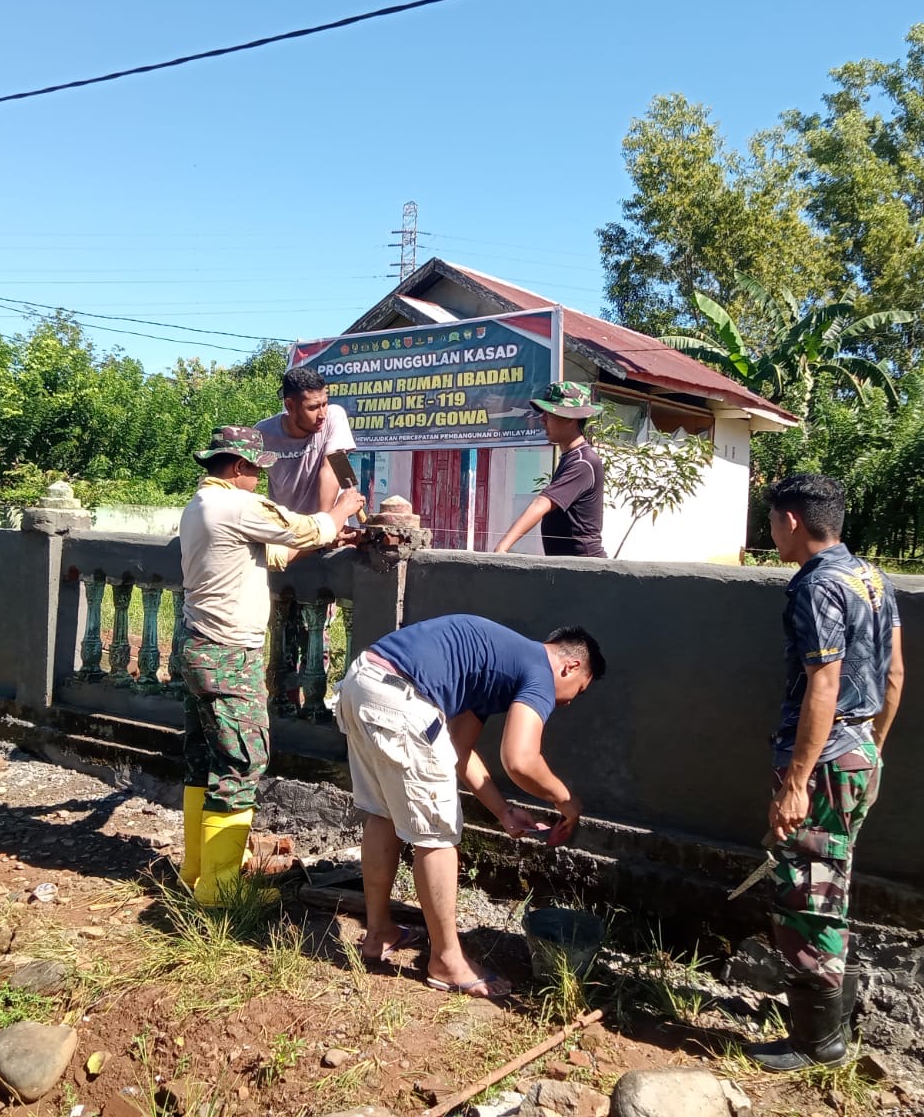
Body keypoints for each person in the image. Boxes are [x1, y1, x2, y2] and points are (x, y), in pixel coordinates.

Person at [333, 614, 605, 997]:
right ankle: (446, 962)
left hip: (363, 683)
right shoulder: (540, 672)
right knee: (439, 837)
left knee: (384, 814)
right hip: (400, 698)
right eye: (574, 691)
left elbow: (457, 751)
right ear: (570, 665)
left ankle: (379, 932)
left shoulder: (497, 668)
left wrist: (503, 812)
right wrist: (567, 801)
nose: (564, 703)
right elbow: (521, 760)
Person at [746, 474, 905, 1072]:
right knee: (829, 882)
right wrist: (872, 747)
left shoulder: (815, 585)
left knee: (806, 893)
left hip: (823, 759)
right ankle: (825, 1026)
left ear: (791, 520)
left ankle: (818, 1043)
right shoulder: (872, 577)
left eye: (772, 522)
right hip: (859, 752)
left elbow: (825, 683)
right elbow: (893, 676)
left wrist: (796, 781)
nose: (770, 533)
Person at [178, 425, 363, 905]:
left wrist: (326, 536)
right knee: (242, 761)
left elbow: (275, 552)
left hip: (200, 646)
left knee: (207, 759)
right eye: (256, 473)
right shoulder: (237, 505)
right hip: (228, 655)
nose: (258, 481)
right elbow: (300, 526)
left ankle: (196, 871)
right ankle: (220, 892)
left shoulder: (201, 505)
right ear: (239, 467)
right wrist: (339, 511)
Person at [255, 367, 358, 717]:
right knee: (282, 630)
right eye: (313, 407)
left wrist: (325, 524)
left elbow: (334, 469)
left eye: (325, 403)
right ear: (289, 405)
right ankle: (284, 705)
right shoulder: (263, 434)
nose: (322, 413)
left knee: (317, 631)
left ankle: (313, 710)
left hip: (319, 541)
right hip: (284, 541)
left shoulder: (334, 418)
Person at [492, 381, 606, 557]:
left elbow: (542, 503)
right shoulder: (571, 457)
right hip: (567, 568)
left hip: (585, 569)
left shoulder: (583, 462)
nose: (542, 419)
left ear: (570, 418)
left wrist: (501, 549)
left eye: (549, 414)